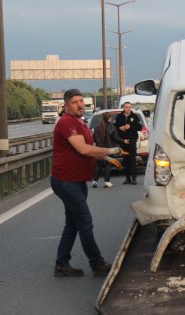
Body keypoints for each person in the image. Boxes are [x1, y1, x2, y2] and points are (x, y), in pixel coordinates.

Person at [51, 89, 123, 277]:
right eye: (75, 102)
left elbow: (88, 148)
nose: (80, 105)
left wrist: (106, 159)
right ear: (67, 105)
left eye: (82, 101)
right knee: (85, 222)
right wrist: (110, 152)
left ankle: (62, 264)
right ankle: (96, 263)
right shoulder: (67, 122)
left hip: (76, 180)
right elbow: (83, 149)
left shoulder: (80, 122)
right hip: (66, 181)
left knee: (73, 223)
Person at [93, 112, 126, 188]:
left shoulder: (97, 127)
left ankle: (95, 182)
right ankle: (107, 182)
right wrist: (123, 141)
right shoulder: (112, 127)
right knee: (108, 165)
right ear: (109, 118)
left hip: (99, 149)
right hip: (109, 149)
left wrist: (100, 146)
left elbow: (95, 139)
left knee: (98, 165)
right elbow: (116, 138)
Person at [114, 102, 142, 185]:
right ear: (123, 107)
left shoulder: (134, 116)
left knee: (132, 159)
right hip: (123, 140)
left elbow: (139, 127)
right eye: (126, 107)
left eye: (130, 107)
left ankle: (134, 178)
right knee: (125, 159)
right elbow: (114, 126)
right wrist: (120, 128)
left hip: (132, 140)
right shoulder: (119, 116)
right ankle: (127, 178)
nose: (128, 109)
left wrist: (130, 127)